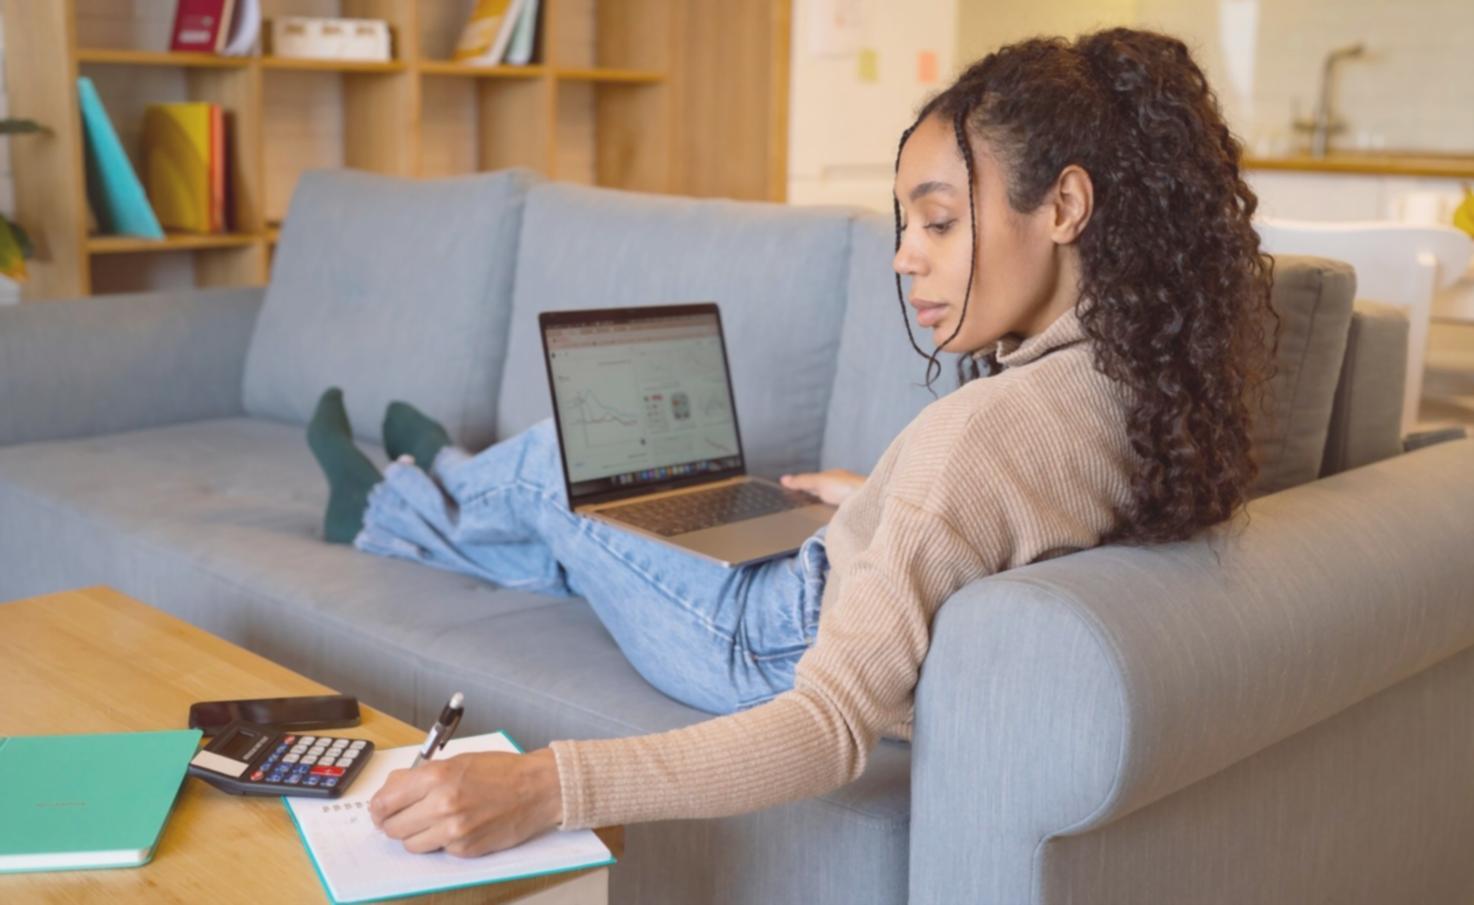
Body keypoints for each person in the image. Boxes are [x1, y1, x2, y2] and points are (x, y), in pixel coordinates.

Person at [304, 27, 1278, 857]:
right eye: (907, 223)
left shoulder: (980, 437)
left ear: (1064, 207)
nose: (904, 254)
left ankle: (398, 501)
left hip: (754, 631)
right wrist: (885, 501)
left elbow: (825, 727)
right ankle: (435, 477)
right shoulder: (1150, 382)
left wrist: (544, 784)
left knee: (559, 461)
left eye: (938, 220)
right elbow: (1004, 516)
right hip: (816, 572)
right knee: (578, 524)